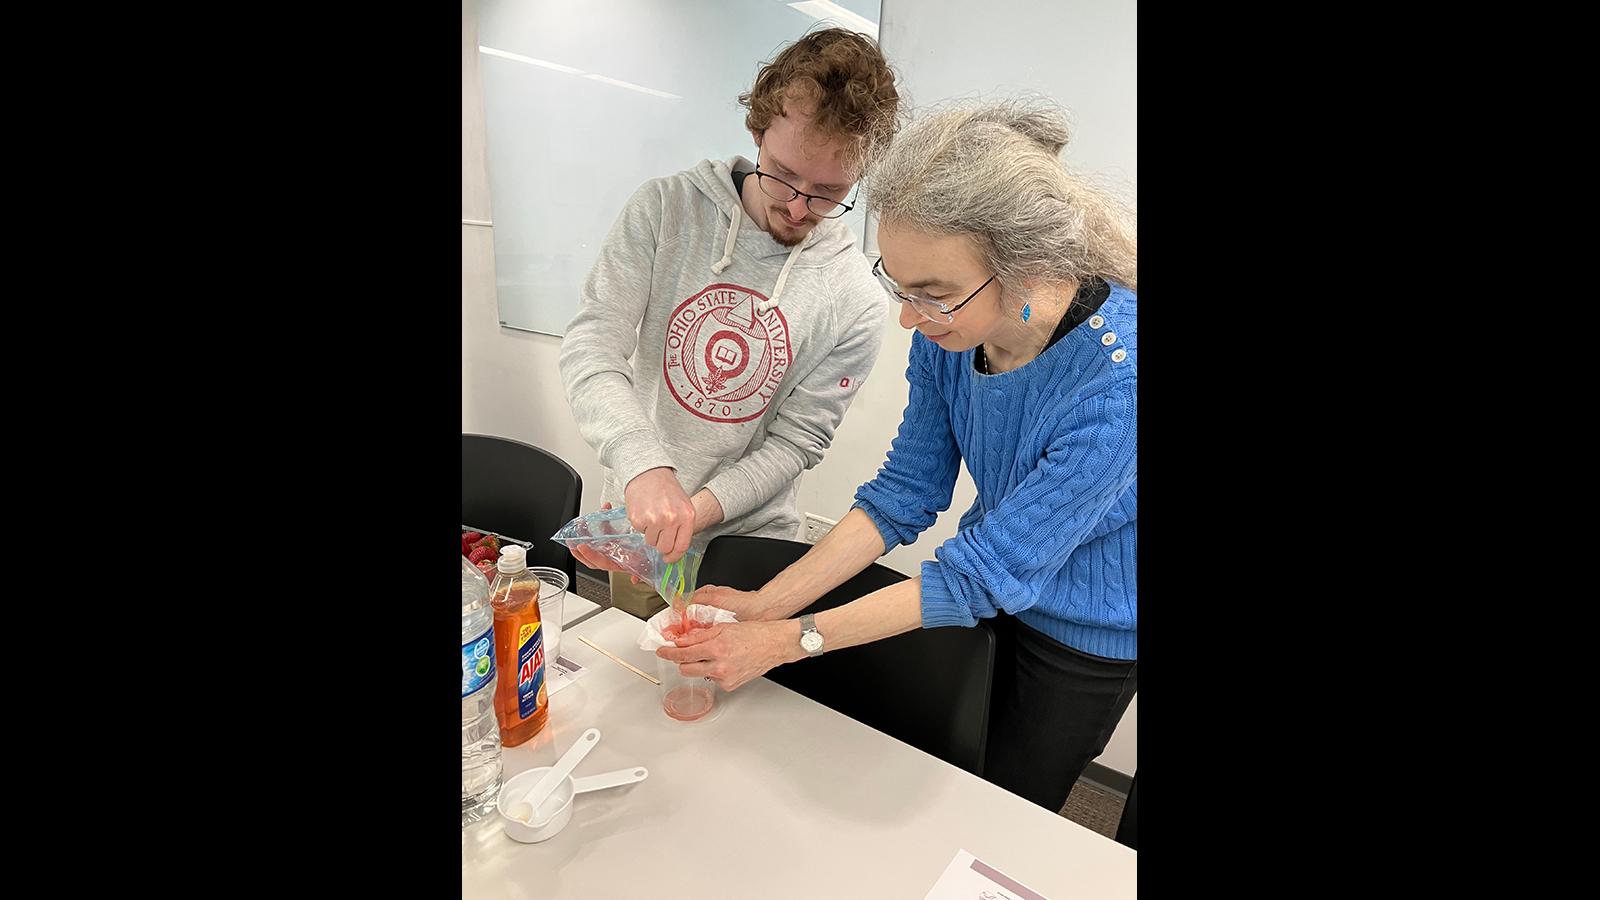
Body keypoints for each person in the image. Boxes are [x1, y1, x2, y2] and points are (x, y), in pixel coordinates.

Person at [659, 99, 1138, 813]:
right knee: (942, 773)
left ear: (1027, 268)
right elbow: (903, 493)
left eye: (934, 294)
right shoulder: (948, 336)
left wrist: (791, 639)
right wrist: (767, 605)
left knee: (1007, 804)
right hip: (995, 580)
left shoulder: (1117, 384)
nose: (910, 318)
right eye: (899, 286)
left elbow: (981, 574)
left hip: (1089, 628)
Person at [560, 28, 902, 617]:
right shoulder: (665, 210)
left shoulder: (857, 299)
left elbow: (796, 442)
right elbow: (593, 348)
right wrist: (644, 467)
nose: (798, 207)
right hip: (638, 527)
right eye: (784, 175)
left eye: (828, 193)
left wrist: (692, 513)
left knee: (741, 706)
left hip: (751, 552)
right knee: (634, 689)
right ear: (757, 131)